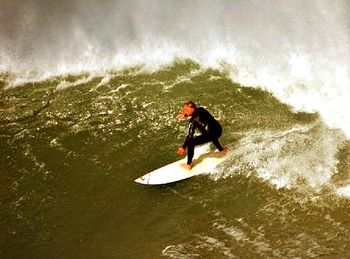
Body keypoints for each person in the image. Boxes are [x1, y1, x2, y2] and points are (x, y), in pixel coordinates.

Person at [177, 101, 227, 170]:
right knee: (207, 129)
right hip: (218, 130)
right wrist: (186, 115)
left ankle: (188, 165)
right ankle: (221, 150)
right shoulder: (201, 109)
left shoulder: (192, 121)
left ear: (192, 107)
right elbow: (195, 113)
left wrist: (183, 147)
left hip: (211, 134)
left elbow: (190, 136)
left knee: (191, 142)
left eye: (186, 110)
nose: (184, 111)